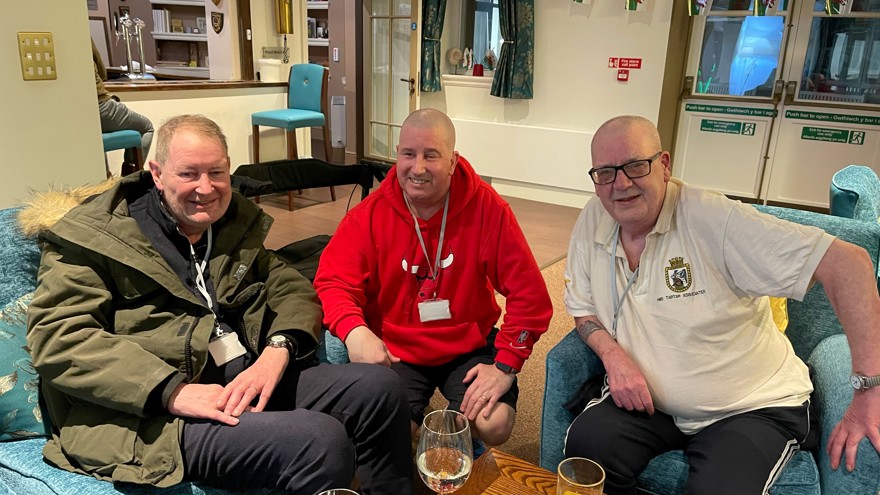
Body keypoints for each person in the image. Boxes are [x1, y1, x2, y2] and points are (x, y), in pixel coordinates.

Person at [26, 114, 413, 494]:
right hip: (147, 416)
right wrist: (171, 390)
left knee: (379, 387)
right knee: (319, 442)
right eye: (188, 173)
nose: (206, 188)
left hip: (237, 382)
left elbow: (290, 285)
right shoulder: (94, 239)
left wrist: (278, 350)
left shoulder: (227, 224)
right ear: (157, 173)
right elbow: (59, 338)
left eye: (217, 173)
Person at [562, 115, 880, 494]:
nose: (622, 184)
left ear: (663, 165)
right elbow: (583, 310)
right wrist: (613, 356)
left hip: (750, 407)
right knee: (584, 456)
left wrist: (869, 390)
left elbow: (850, 263)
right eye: (606, 172)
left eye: (635, 165)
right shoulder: (592, 219)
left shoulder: (717, 221)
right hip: (654, 404)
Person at [313, 108, 553, 447]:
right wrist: (355, 331)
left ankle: (455, 437)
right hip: (397, 348)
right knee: (385, 434)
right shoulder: (369, 215)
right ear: (396, 155)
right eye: (408, 154)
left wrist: (505, 366)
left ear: (454, 161)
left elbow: (531, 296)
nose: (418, 168)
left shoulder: (488, 210)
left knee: (494, 422)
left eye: (431, 155)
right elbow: (332, 281)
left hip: (467, 343)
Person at [93, 38, 154, 176]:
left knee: (96, 136)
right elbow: (102, 73)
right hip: (102, 106)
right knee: (146, 127)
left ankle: (106, 177)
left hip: (80, 114)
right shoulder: (82, 36)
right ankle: (130, 177)